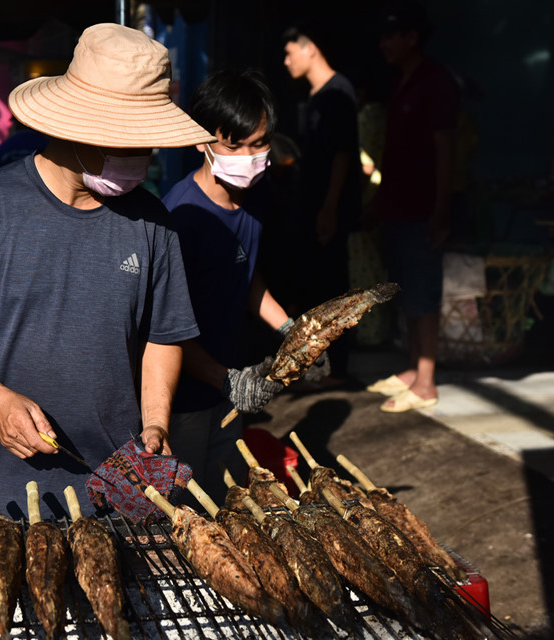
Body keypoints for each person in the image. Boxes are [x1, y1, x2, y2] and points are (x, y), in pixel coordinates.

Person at [0, 24, 281, 522]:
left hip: (112, 495)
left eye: (149, 144)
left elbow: (163, 336)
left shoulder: (153, 222)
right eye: (129, 143)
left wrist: (156, 423)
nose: (143, 159)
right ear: (76, 126)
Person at [160, 69, 288, 504]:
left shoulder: (254, 196)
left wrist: (291, 329)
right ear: (201, 140)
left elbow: (244, 274)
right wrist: (226, 380)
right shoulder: (180, 219)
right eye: (233, 146)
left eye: (259, 143)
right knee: (185, 512)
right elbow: (164, 328)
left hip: (229, 391)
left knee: (229, 502)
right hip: (184, 402)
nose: (248, 158)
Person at [366, 0, 459, 412]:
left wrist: (441, 209)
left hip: (423, 208)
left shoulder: (435, 82)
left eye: (392, 36)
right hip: (398, 207)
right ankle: (412, 367)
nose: (384, 44)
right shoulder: (402, 82)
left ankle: (426, 381)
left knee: (424, 291)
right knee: (405, 288)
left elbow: (445, 149)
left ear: (412, 38)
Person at [282, 21, 363, 387]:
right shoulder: (317, 95)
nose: (286, 61)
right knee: (312, 287)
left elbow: (344, 155)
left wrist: (330, 207)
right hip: (311, 209)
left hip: (326, 212)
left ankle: (335, 370)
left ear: (309, 47)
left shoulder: (338, 93)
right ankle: (319, 367)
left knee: (331, 288)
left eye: (289, 53)